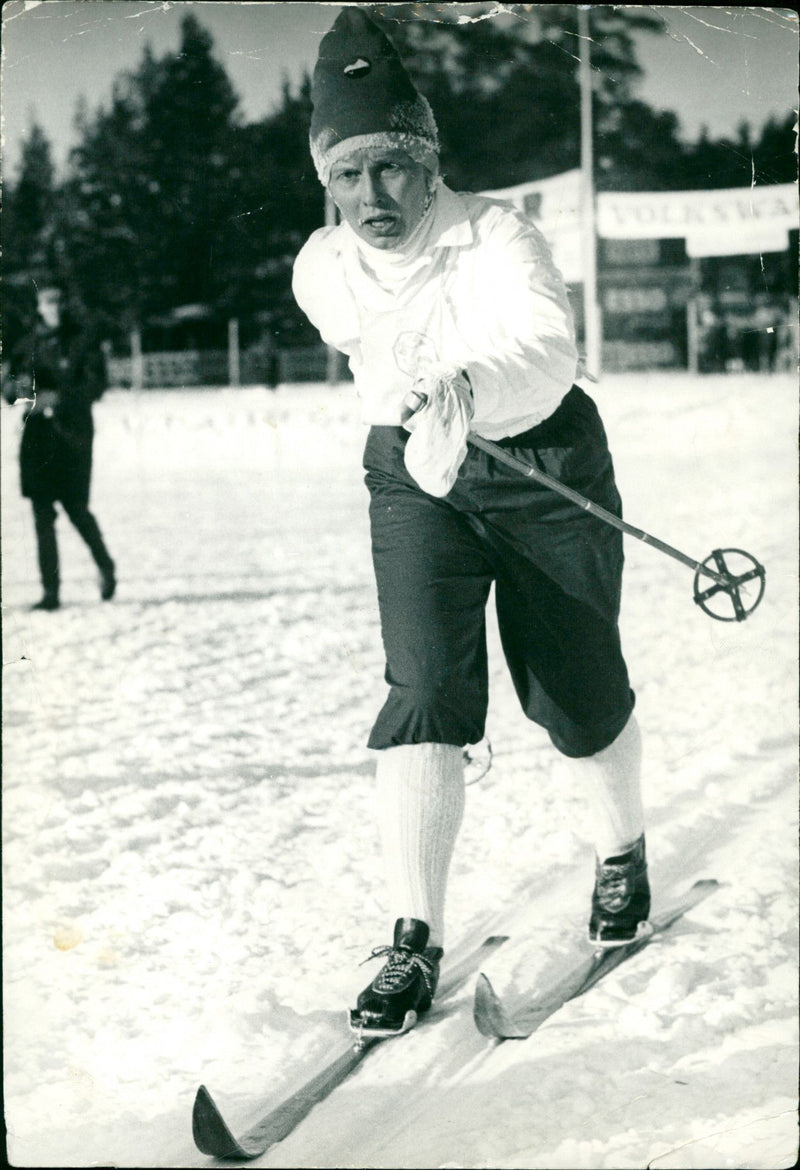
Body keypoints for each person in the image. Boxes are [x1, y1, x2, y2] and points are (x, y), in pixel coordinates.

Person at [293, 8, 649, 1035]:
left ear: (427, 160)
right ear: (325, 178)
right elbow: (362, 341)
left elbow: (545, 349)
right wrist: (423, 410)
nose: (371, 197)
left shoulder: (497, 234)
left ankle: (619, 850)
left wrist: (465, 383)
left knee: (572, 687)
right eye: (347, 174)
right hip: (412, 475)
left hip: (540, 460)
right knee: (424, 689)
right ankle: (410, 936)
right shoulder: (322, 268)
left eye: (391, 170)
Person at [7, 290, 116, 611]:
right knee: (42, 513)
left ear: (64, 306)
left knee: (76, 509)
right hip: (38, 437)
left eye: (57, 301)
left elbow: (96, 385)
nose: (52, 308)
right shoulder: (27, 344)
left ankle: (106, 565)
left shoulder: (83, 340)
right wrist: (16, 388)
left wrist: (59, 399)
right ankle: (50, 593)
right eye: (46, 302)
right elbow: (9, 386)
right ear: (38, 307)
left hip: (73, 436)